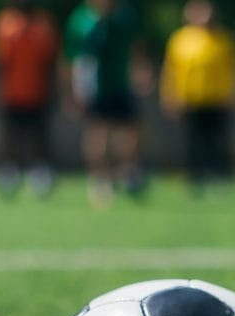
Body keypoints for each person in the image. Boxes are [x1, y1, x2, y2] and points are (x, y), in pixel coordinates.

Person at [64, 0, 151, 210]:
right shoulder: (80, 20)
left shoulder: (124, 15)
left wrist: (141, 69)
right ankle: (100, 179)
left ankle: (128, 170)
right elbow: (70, 58)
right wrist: (71, 91)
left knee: (133, 130)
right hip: (95, 88)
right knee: (98, 133)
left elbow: (136, 44)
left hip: (120, 83)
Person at [160, 1, 235, 193]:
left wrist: (233, 94)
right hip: (190, 99)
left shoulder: (223, 39)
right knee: (193, 141)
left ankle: (220, 178)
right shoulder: (180, 39)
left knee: (217, 141)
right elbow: (171, 70)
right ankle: (195, 179)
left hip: (217, 99)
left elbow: (233, 70)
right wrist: (169, 94)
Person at [0, 0, 61, 198]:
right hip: (12, 94)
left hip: (38, 93)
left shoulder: (44, 26)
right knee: (11, 137)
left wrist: (54, 90)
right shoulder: (4, 24)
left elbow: (50, 63)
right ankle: (8, 174)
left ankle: (40, 174)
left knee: (39, 136)